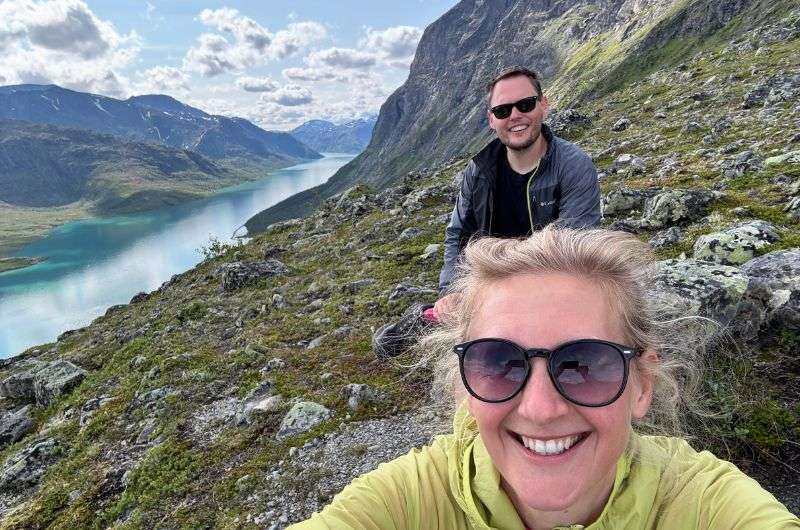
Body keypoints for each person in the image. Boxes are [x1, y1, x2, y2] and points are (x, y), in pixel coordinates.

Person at [288, 226, 799, 529]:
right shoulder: (409, 501)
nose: (539, 407)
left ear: (642, 383)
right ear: (462, 384)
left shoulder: (701, 504)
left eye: (585, 364)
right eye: (497, 362)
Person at [435, 67, 601, 318]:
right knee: (390, 341)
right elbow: (458, 234)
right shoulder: (479, 170)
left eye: (525, 104)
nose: (515, 116)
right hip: (489, 290)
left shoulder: (573, 166)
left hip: (554, 293)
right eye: (503, 110)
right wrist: (451, 290)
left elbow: (572, 252)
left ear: (542, 105)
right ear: (491, 119)